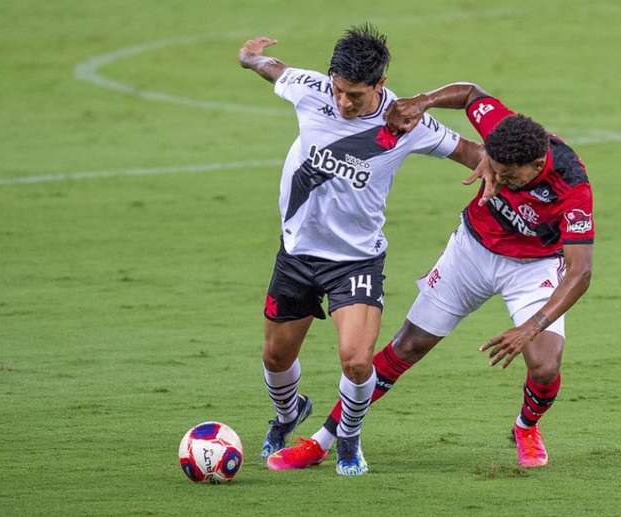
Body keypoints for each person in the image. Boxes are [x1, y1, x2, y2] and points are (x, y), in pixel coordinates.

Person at [269, 82, 594, 470]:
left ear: (538, 165)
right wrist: (424, 102)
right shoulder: (506, 133)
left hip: (534, 267)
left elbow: (580, 272)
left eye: (510, 176)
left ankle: (526, 427)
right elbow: (472, 93)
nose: (499, 180)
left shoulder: (572, 186)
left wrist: (531, 327)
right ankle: (323, 440)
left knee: (544, 364)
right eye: (496, 168)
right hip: (471, 252)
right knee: (407, 346)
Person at [238, 26, 487, 476]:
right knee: (276, 358)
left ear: (380, 86)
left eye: (354, 95)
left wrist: (502, 165)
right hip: (297, 253)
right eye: (338, 90)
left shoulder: (405, 123)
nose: (343, 103)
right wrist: (249, 55)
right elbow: (270, 69)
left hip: (356, 260)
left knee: (356, 361)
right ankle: (287, 415)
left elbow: (470, 151)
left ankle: (349, 439)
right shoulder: (311, 89)